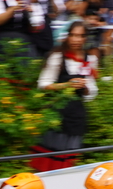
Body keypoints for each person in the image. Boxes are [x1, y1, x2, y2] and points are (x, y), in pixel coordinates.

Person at [34, 20, 100, 167]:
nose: (77, 39)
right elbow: (43, 84)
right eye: (74, 35)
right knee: (50, 155)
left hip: (76, 115)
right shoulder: (58, 56)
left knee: (69, 157)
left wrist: (85, 87)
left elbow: (92, 91)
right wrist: (66, 85)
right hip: (57, 112)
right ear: (68, 36)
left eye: (81, 36)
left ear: (85, 38)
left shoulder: (90, 60)